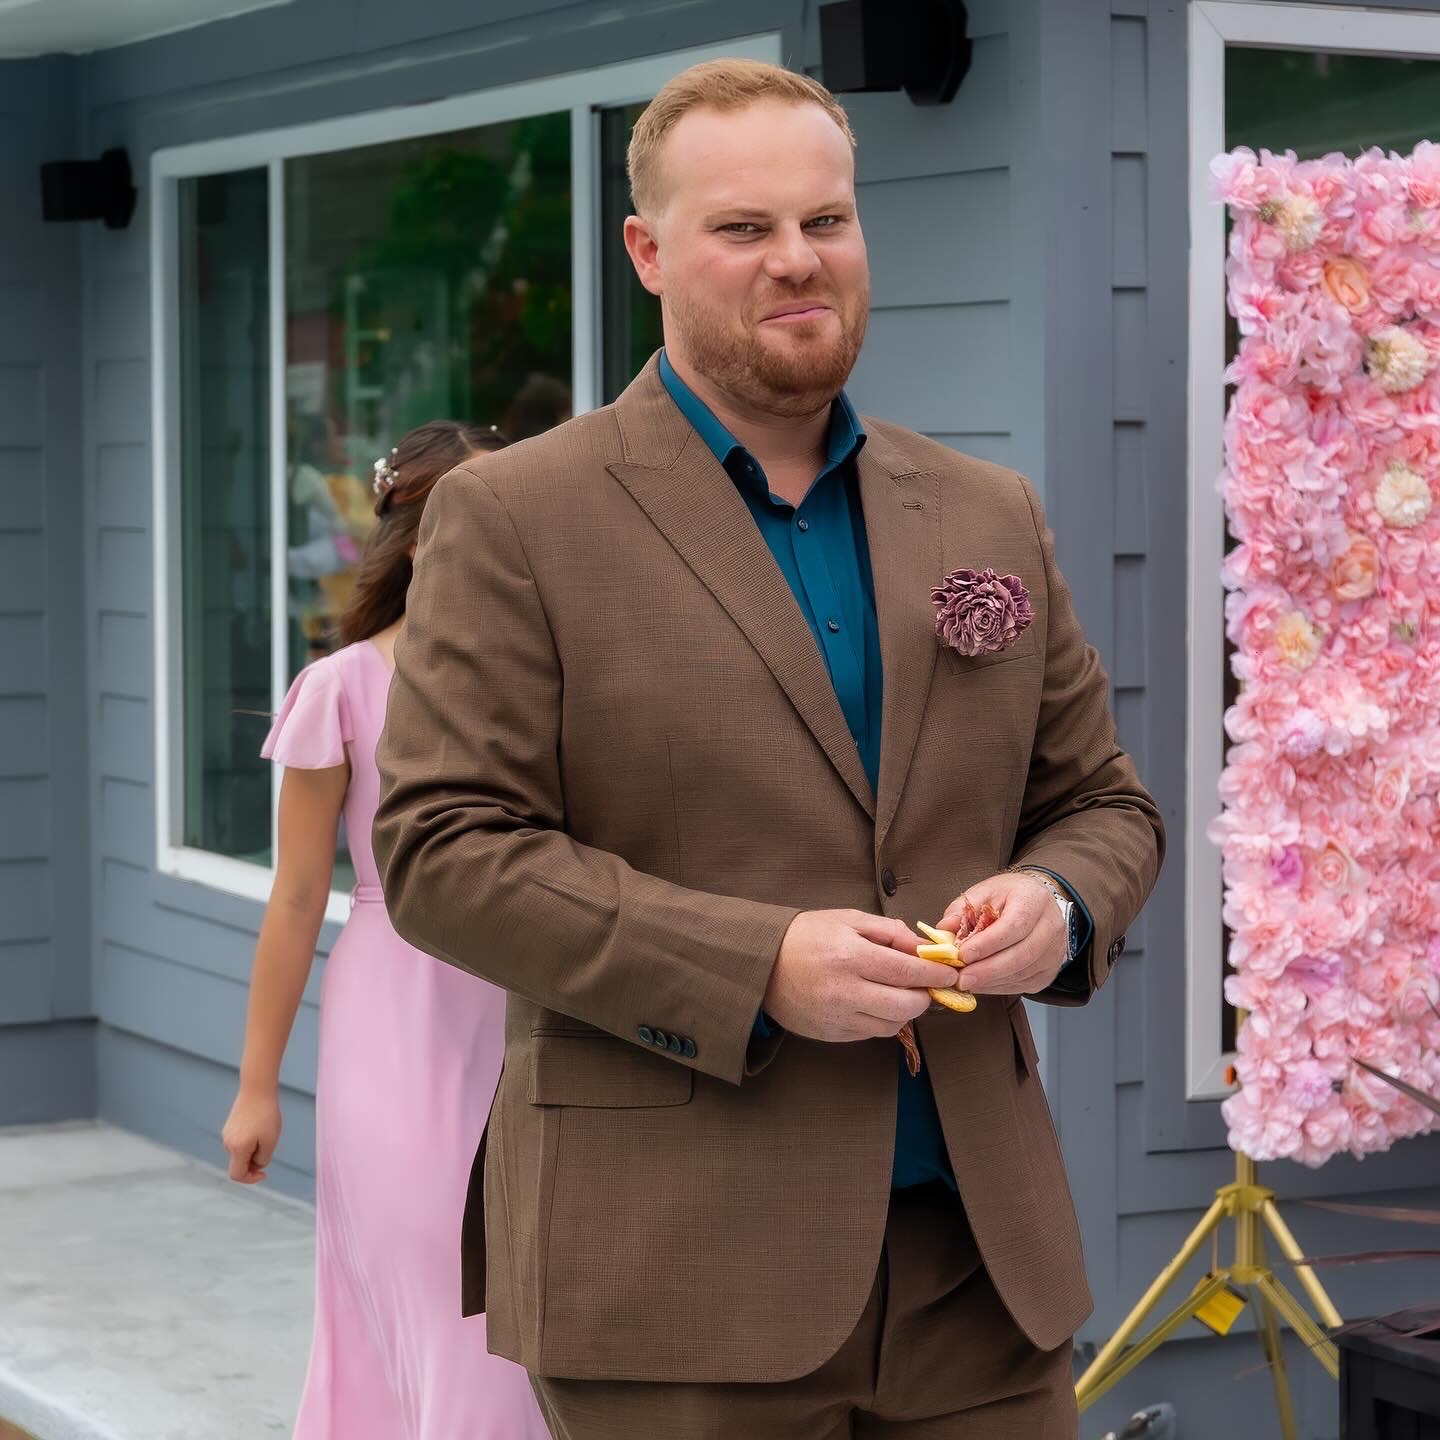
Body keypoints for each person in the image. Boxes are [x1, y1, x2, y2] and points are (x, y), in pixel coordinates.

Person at [374, 59, 1165, 1439]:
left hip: (979, 1271)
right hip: (674, 1274)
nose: (798, 260)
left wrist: (1062, 898)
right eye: (744, 228)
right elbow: (443, 853)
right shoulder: (517, 517)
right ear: (649, 252)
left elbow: (1102, 802)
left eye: (826, 221)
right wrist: (757, 967)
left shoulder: (985, 509)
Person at [220, 420, 549, 1440]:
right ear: (418, 532)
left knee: (527, 1288)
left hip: (534, 1001)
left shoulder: (544, 677)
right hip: (396, 1014)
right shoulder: (343, 688)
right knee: (444, 1287)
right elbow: (293, 899)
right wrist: (257, 1088)